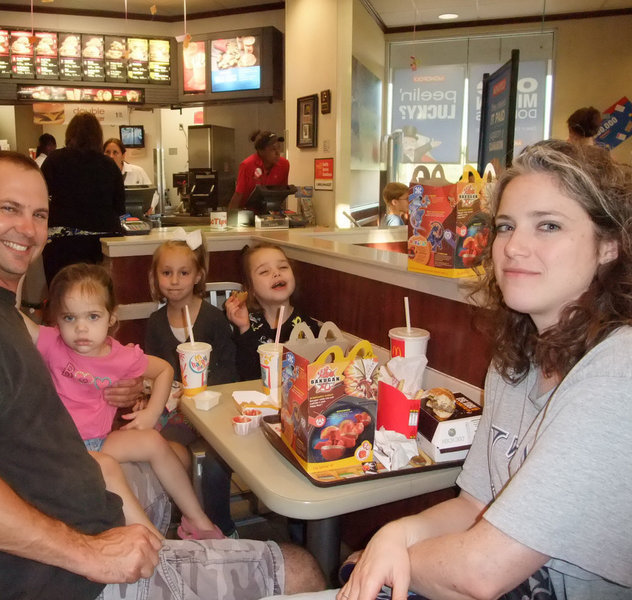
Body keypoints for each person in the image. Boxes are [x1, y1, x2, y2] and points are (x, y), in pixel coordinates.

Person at [0, 150, 325, 599]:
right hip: (62, 574)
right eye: (9, 208)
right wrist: (88, 553)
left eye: (39, 215)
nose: (28, 228)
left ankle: (193, 533)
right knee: (301, 571)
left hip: (84, 504)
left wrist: (121, 387)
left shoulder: (0, 312)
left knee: (175, 458)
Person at [270, 140, 632, 600]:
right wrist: (396, 535)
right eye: (506, 226)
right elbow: (476, 506)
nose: (514, 247)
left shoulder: (616, 375)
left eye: (549, 226)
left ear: (609, 246)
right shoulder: (515, 362)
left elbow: (481, 573)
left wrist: (386, 563)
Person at [24, 261, 225, 541]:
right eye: (69, 317)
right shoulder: (51, 342)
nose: (81, 328)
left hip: (98, 442)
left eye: (93, 316)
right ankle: (157, 544)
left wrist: (151, 413)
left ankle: (198, 521)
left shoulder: (120, 356)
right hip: (61, 447)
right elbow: (9, 313)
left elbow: (164, 370)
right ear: (57, 319)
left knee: (154, 442)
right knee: (109, 469)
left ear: (111, 317)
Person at [145, 232, 239, 537]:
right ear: (156, 276)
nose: (174, 281)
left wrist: (201, 389)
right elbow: (150, 371)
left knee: (214, 459)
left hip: (212, 409)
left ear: (198, 275)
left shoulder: (213, 319)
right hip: (174, 412)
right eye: (166, 273)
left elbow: (228, 370)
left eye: (184, 273)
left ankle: (220, 526)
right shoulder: (155, 322)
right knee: (165, 451)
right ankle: (181, 515)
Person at [41, 113, 125, 284]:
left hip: (63, 242)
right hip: (102, 244)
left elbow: (40, 197)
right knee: (99, 292)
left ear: (70, 134)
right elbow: (119, 207)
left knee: (62, 291)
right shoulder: (109, 165)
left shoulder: (54, 160)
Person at [226, 242, 319, 381]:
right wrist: (244, 328)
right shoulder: (245, 323)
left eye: (283, 267)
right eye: (264, 271)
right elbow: (246, 376)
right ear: (250, 288)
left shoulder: (307, 327)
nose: (277, 273)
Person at [228, 130, 290, 211]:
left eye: (278, 147)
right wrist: (230, 215)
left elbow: (281, 192)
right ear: (261, 151)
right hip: (247, 211)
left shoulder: (284, 164)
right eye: (273, 149)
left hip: (270, 210)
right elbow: (238, 194)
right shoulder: (247, 165)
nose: (278, 153)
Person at [103, 137, 160, 214]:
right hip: (110, 217)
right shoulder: (99, 175)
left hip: (135, 217)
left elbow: (154, 194)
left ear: (123, 156)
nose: (111, 156)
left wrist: (150, 207)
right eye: (107, 152)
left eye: (115, 152)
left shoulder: (137, 171)